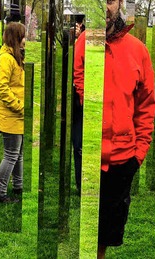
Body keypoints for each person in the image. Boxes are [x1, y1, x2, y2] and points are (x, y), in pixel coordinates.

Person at [98, 0, 155, 259]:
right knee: (86, 230)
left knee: (107, 232)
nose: (104, 7)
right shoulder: (83, 44)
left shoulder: (138, 51)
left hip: (123, 160)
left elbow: (146, 106)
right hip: (89, 160)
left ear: (120, 1)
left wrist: (139, 153)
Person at [0, 22, 26, 204]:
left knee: (18, 154)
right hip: (11, 116)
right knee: (11, 155)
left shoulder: (15, 56)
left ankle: (18, 186)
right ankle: (1, 193)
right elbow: (2, 88)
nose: (25, 40)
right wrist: (19, 106)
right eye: (23, 36)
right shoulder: (6, 59)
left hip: (18, 116)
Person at [72, 16, 85, 193]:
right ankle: (81, 182)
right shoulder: (84, 39)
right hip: (83, 102)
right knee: (80, 142)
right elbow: (78, 70)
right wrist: (83, 96)